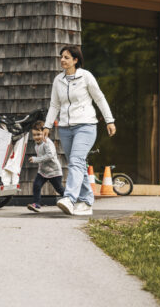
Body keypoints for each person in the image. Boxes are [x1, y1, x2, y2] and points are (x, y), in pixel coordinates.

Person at [43, 45, 116, 216]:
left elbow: (99, 98)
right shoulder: (58, 80)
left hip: (86, 126)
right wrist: (47, 125)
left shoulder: (86, 76)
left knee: (76, 160)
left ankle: (69, 198)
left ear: (76, 60)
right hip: (65, 128)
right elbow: (55, 105)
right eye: (61, 57)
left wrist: (109, 120)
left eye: (67, 57)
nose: (62, 60)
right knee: (78, 164)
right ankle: (86, 202)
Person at [26, 120, 64, 213]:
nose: (36, 137)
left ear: (45, 133)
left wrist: (36, 159)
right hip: (43, 171)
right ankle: (36, 204)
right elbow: (42, 160)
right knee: (36, 185)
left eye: (39, 134)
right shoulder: (37, 145)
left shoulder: (47, 143)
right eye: (34, 135)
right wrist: (39, 165)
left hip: (54, 171)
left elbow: (50, 155)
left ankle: (71, 200)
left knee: (59, 189)